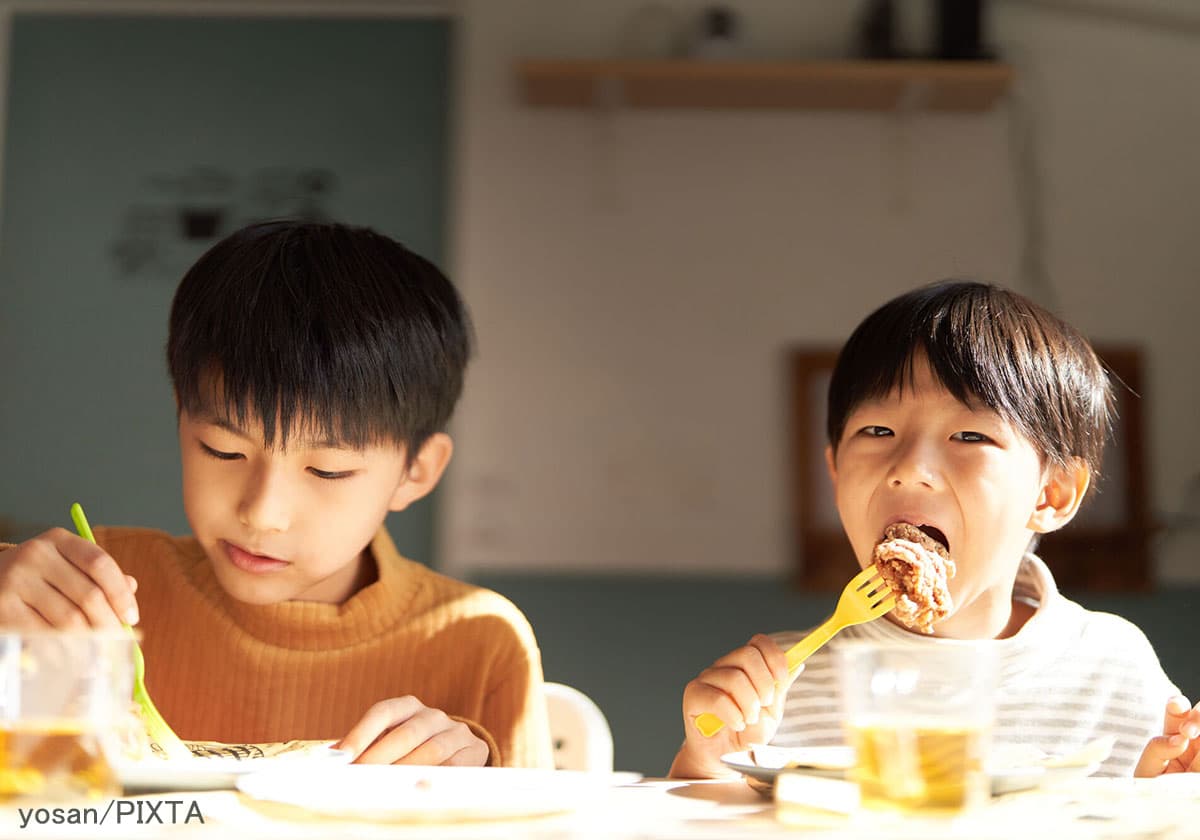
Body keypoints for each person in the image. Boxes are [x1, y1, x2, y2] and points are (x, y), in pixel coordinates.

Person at [0, 220, 553, 769]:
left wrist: (480, 790)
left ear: (416, 472)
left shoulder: (480, 641)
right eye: (223, 450)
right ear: (181, 417)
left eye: (328, 471)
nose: (262, 514)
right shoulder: (92, 587)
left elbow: (544, 815)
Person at [669, 280, 1199, 779]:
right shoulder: (774, 693)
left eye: (969, 436)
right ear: (835, 472)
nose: (910, 468)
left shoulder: (1110, 666)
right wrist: (707, 764)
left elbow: (1145, 814)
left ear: (1051, 494)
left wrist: (1168, 793)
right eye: (878, 430)